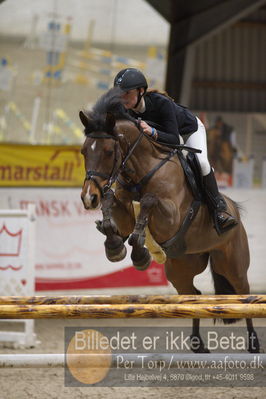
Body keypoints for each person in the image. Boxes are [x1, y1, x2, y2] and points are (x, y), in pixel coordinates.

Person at [114, 67, 237, 235]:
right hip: (161, 136)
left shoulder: (161, 103)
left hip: (188, 131)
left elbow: (173, 138)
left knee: (201, 163)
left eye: (127, 93)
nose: (122, 98)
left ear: (141, 91)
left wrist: (152, 131)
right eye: (119, 94)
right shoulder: (124, 111)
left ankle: (219, 210)